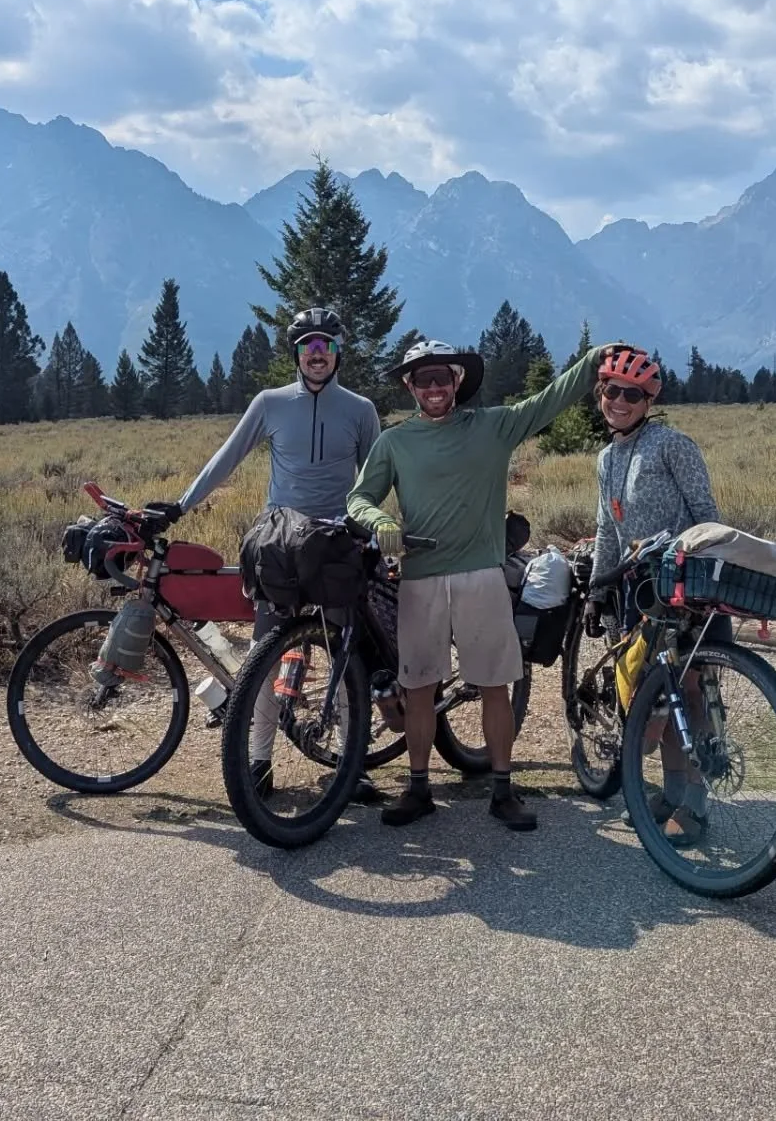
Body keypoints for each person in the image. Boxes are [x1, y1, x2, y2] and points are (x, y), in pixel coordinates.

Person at [347, 336, 618, 831]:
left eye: (442, 377)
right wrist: (379, 522)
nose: (433, 386)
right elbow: (358, 498)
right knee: (421, 686)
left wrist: (593, 360)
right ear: (410, 385)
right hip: (420, 577)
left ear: (458, 382)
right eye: (423, 378)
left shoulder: (494, 426)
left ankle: (501, 788)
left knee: (494, 685)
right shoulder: (394, 442)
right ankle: (419, 788)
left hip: (481, 575)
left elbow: (549, 400)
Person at [149, 307, 383, 800]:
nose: (317, 356)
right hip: (280, 544)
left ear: (338, 354)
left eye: (325, 347)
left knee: (343, 656)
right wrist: (182, 505)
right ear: (296, 355)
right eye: (308, 348)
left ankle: (348, 762)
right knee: (265, 654)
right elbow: (226, 458)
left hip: (338, 543)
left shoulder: (360, 409)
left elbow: (375, 479)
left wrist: (379, 529)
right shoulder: (271, 403)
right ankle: (258, 761)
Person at [585, 346, 724, 847]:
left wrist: (693, 566)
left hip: (684, 585)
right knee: (658, 697)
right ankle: (668, 795)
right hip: (635, 590)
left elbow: (708, 515)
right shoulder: (606, 457)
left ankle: (698, 806)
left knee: (693, 695)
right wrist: (598, 590)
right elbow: (607, 528)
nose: (618, 401)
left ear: (648, 399)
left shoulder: (672, 445)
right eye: (610, 391)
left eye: (631, 394)